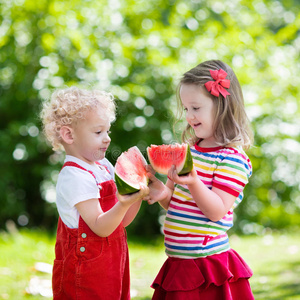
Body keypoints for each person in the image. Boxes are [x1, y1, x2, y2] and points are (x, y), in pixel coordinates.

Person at [146, 60, 255, 299]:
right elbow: (175, 202)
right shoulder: (189, 150)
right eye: (185, 109)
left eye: (196, 108)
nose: (189, 116)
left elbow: (216, 211)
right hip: (178, 263)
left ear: (222, 106)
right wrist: (162, 193)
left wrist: (193, 182)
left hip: (207, 266)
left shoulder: (232, 159)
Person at [40, 86, 149, 299]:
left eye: (107, 130)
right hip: (84, 271)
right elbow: (100, 227)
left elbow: (121, 222)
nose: (107, 138)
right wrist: (125, 202)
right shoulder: (74, 176)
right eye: (98, 132)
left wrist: (138, 193)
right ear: (68, 135)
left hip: (112, 263)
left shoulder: (103, 166)